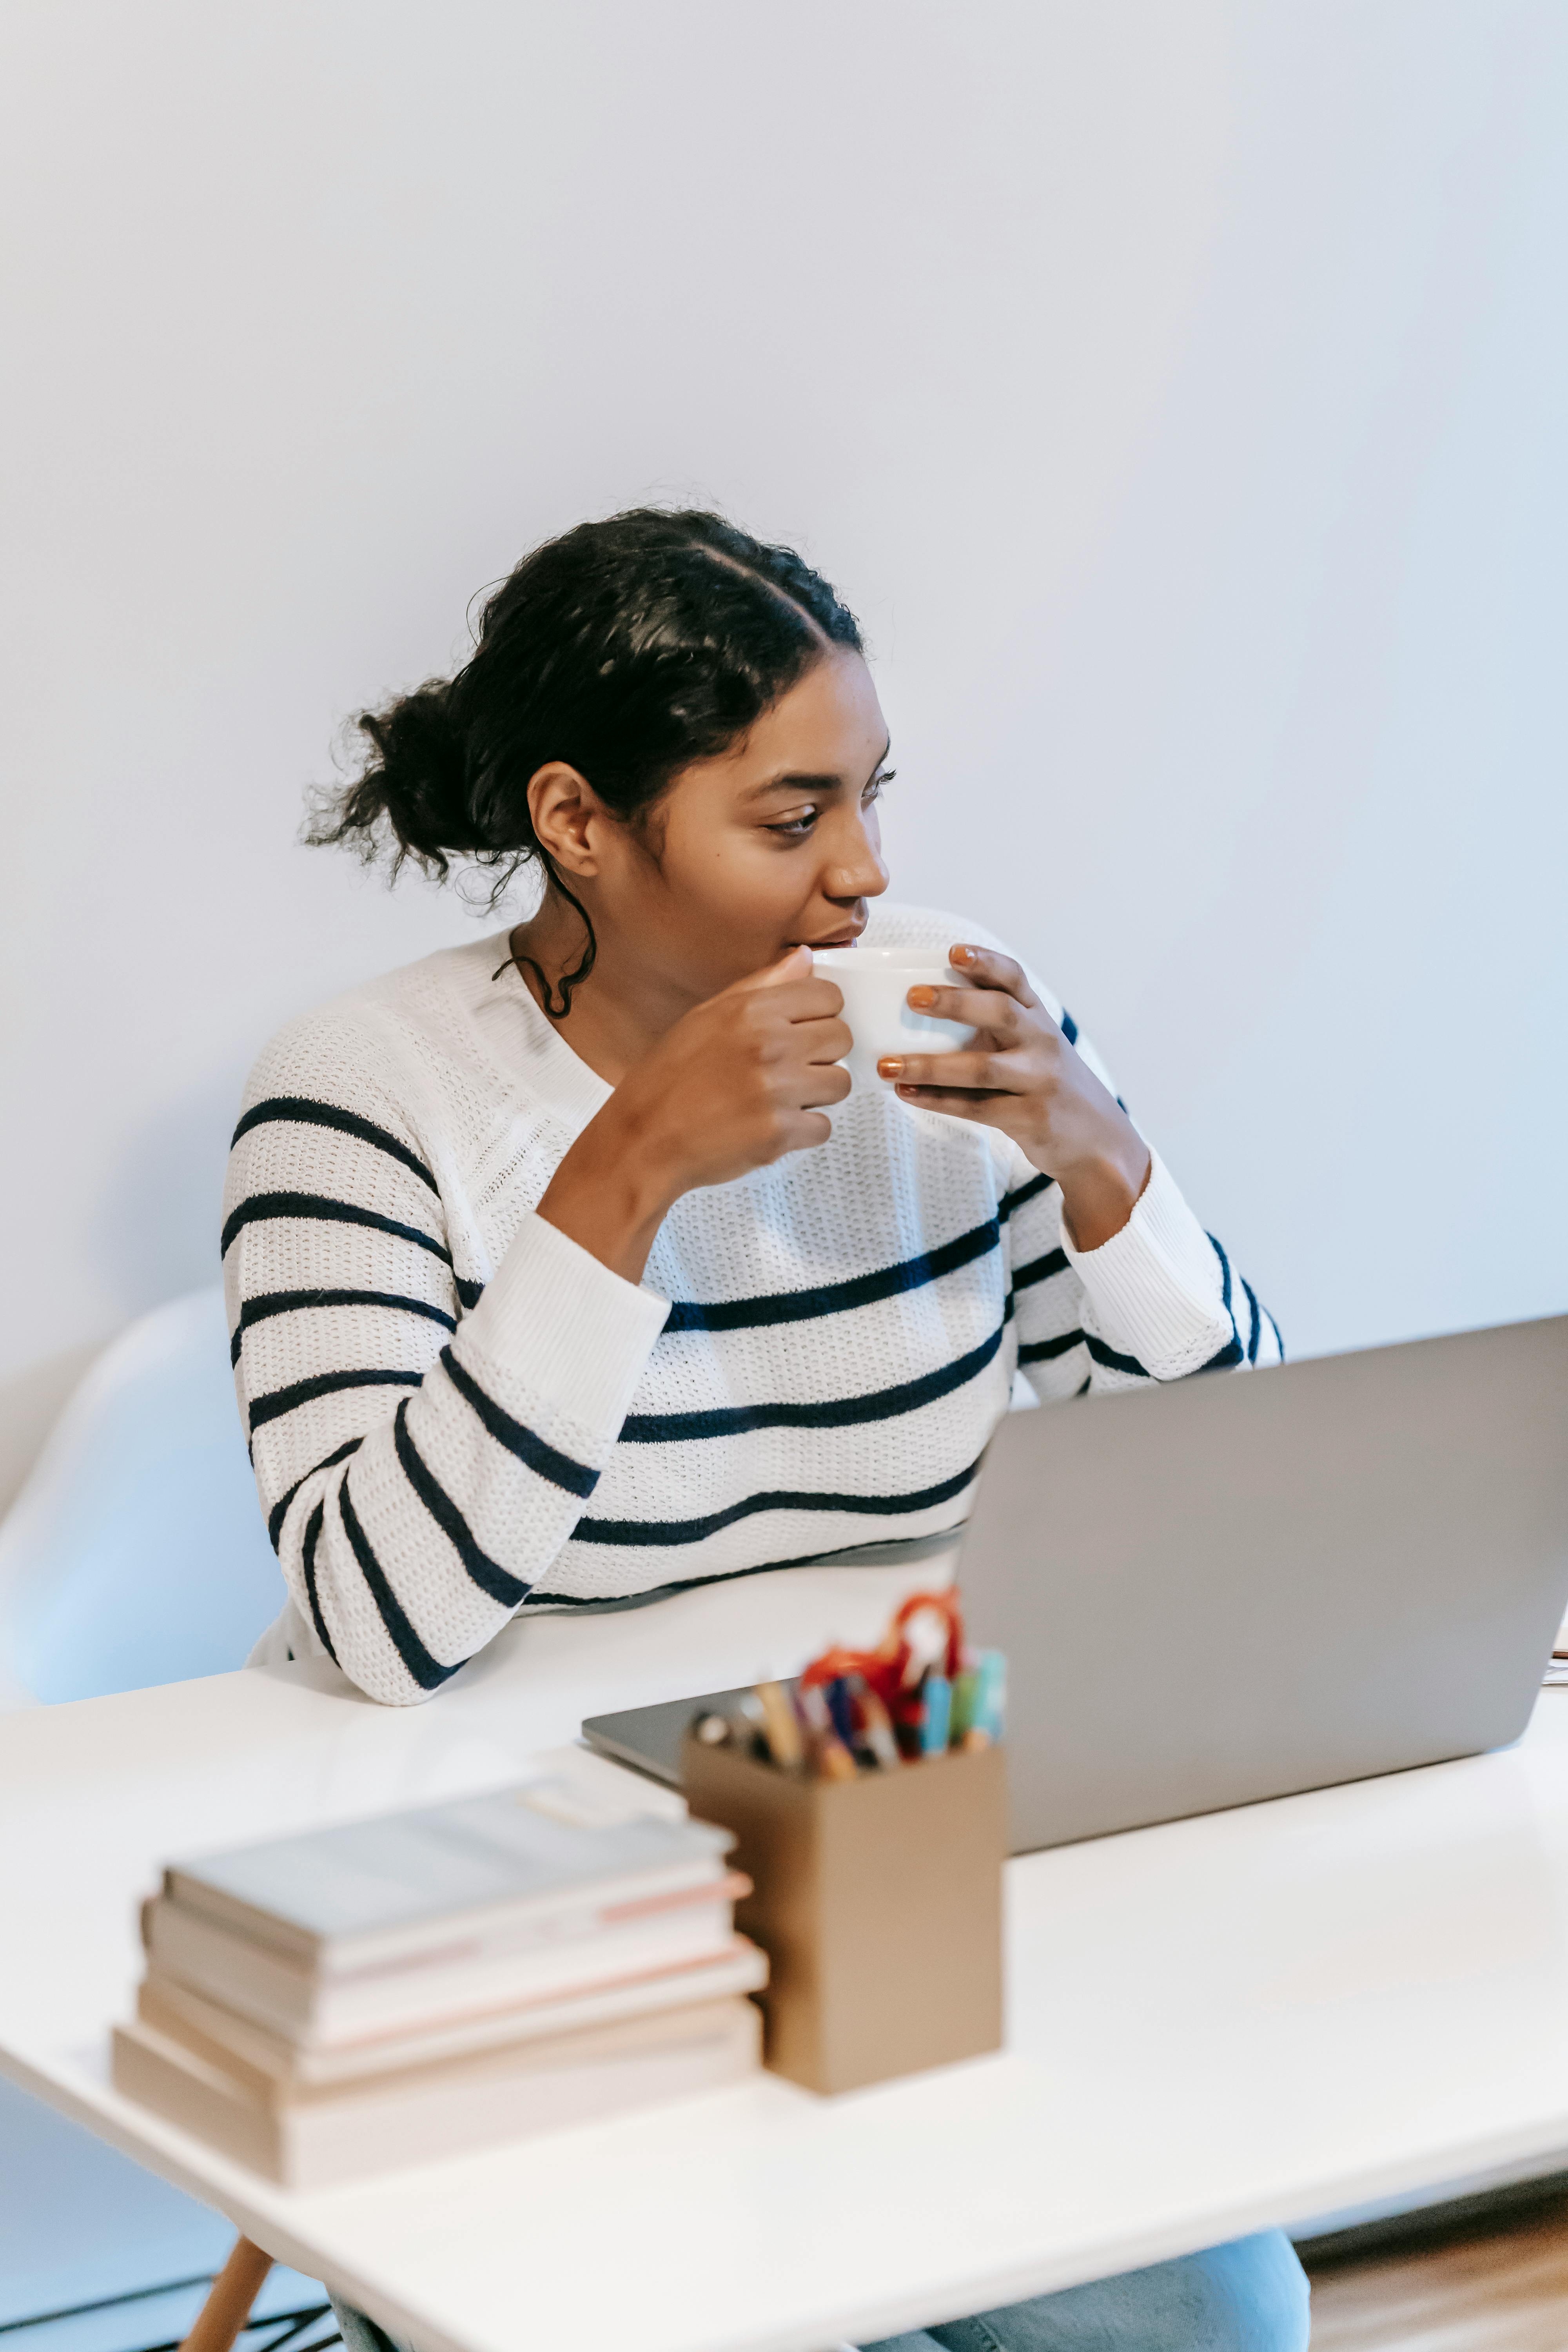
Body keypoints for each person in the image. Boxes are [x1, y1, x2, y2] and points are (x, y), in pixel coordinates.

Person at [225, 509, 1305, 2350]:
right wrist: (626, 1175)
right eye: (792, 819)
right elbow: (385, 1625)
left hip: (891, 1861)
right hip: (541, 1898)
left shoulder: (956, 1016)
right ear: (578, 823)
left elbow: (1245, 1511)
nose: (863, 877)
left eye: (875, 797)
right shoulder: (360, 1099)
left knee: (1221, 2324)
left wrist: (1112, 1174)